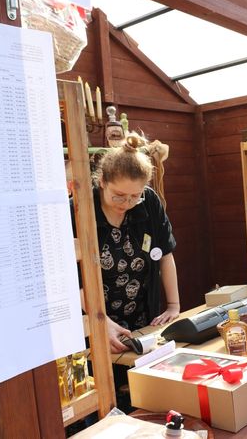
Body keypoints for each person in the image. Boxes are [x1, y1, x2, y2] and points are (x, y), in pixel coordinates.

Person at [92, 132, 181, 353]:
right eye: (119, 195)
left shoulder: (149, 202)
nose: (126, 203)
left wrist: (173, 305)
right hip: (96, 320)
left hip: (143, 316)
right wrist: (100, 322)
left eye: (135, 196)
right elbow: (75, 281)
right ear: (102, 181)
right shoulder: (80, 210)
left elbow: (166, 254)